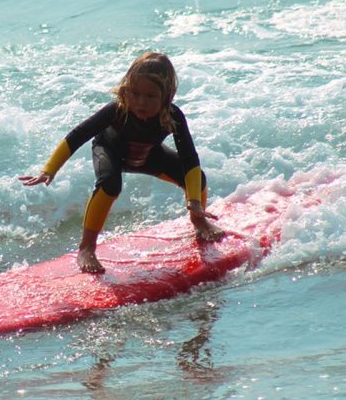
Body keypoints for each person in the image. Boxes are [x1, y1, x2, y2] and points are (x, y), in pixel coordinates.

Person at [19, 52, 224, 273]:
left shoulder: (173, 116)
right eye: (135, 93)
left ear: (167, 96)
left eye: (150, 96)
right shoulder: (117, 110)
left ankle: (198, 220)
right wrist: (49, 170)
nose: (140, 102)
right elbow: (78, 135)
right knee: (110, 185)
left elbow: (189, 159)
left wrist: (194, 201)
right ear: (126, 89)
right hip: (110, 151)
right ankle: (87, 248)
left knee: (196, 177)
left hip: (148, 156)